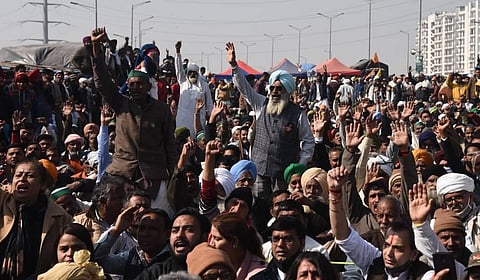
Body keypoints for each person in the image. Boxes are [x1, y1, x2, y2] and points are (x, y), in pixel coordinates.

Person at [91, 27, 177, 213]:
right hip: (122, 173)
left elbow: (170, 144)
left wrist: (173, 174)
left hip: (154, 175)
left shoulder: (161, 110)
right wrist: (96, 50)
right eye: (131, 85)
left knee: (152, 219)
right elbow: (102, 83)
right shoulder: (121, 104)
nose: (135, 87)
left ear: (148, 86)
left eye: (139, 84)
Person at [226, 42, 314, 202]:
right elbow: (244, 88)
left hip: (283, 173)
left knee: (281, 204)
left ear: (287, 91)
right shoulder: (261, 103)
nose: (274, 92)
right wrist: (234, 65)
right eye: (272, 88)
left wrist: (299, 166)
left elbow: (308, 142)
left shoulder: (298, 114)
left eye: (279, 89)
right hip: (259, 170)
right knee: (259, 205)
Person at [328, 166, 434, 279]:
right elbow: (343, 235)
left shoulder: (423, 274)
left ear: (413, 254)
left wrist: (420, 224)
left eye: (398, 249)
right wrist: (334, 194)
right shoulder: (374, 261)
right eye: (386, 245)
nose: (388, 253)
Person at [0, 160, 72, 278]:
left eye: (30, 176)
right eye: (18, 175)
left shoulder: (61, 217)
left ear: (43, 184)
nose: (22, 179)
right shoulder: (3, 201)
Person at [94, 208, 172, 279]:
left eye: (152, 229)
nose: (145, 234)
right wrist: (116, 231)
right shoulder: (132, 257)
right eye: (142, 228)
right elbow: (97, 263)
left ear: (167, 234)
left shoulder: (175, 260)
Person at [136, 207, 211, 279]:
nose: (179, 235)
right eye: (175, 231)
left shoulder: (214, 270)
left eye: (189, 230)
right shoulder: (155, 273)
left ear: (204, 237)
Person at [209, 213, 266, 280]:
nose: (211, 244)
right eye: (211, 237)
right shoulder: (212, 265)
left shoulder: (260, 274)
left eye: (217, 239)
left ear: (235, 242)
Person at [175, 41, 213, 138]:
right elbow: (179, 69)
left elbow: (209, 103)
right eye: (190, 72)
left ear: (197, 73)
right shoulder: (183, 82)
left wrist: (212, 116)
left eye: (194, 73)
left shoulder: (204, 85)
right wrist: (178, 52)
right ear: (187, 73)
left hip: (198, 121)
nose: (192, 74)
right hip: (182, 120)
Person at [73, 175, 127, 243]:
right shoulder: (80, 223)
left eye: (124, 197)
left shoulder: (128, 219)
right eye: (119, 198)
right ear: (103, 201)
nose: (124, 201)